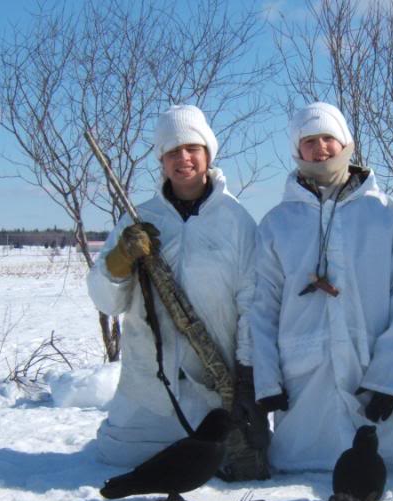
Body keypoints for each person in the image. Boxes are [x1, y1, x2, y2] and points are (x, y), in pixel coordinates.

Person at [87, 104, 266, 477]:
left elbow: (253, 303)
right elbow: (105, 300)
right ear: (162, 161)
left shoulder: (237, 222)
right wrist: (120, 261)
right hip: (147, 389)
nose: (182, 158)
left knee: (224, 470)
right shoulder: (138, 220)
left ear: (207, 154)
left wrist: (247, 374)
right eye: (172, 152)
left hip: (212, 389)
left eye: (191, 148)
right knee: (115, 467)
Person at [251, 102, 393, 472]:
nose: (321, 148)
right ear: (297, 150)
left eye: (329, 137)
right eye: (310, 140)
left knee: (379, 485)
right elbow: (262, 307)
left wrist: (389, 380)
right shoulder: (278, 223)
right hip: (304, 395)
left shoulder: (385, 215)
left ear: (346, 143)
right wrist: (267, 380)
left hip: (371, 383)